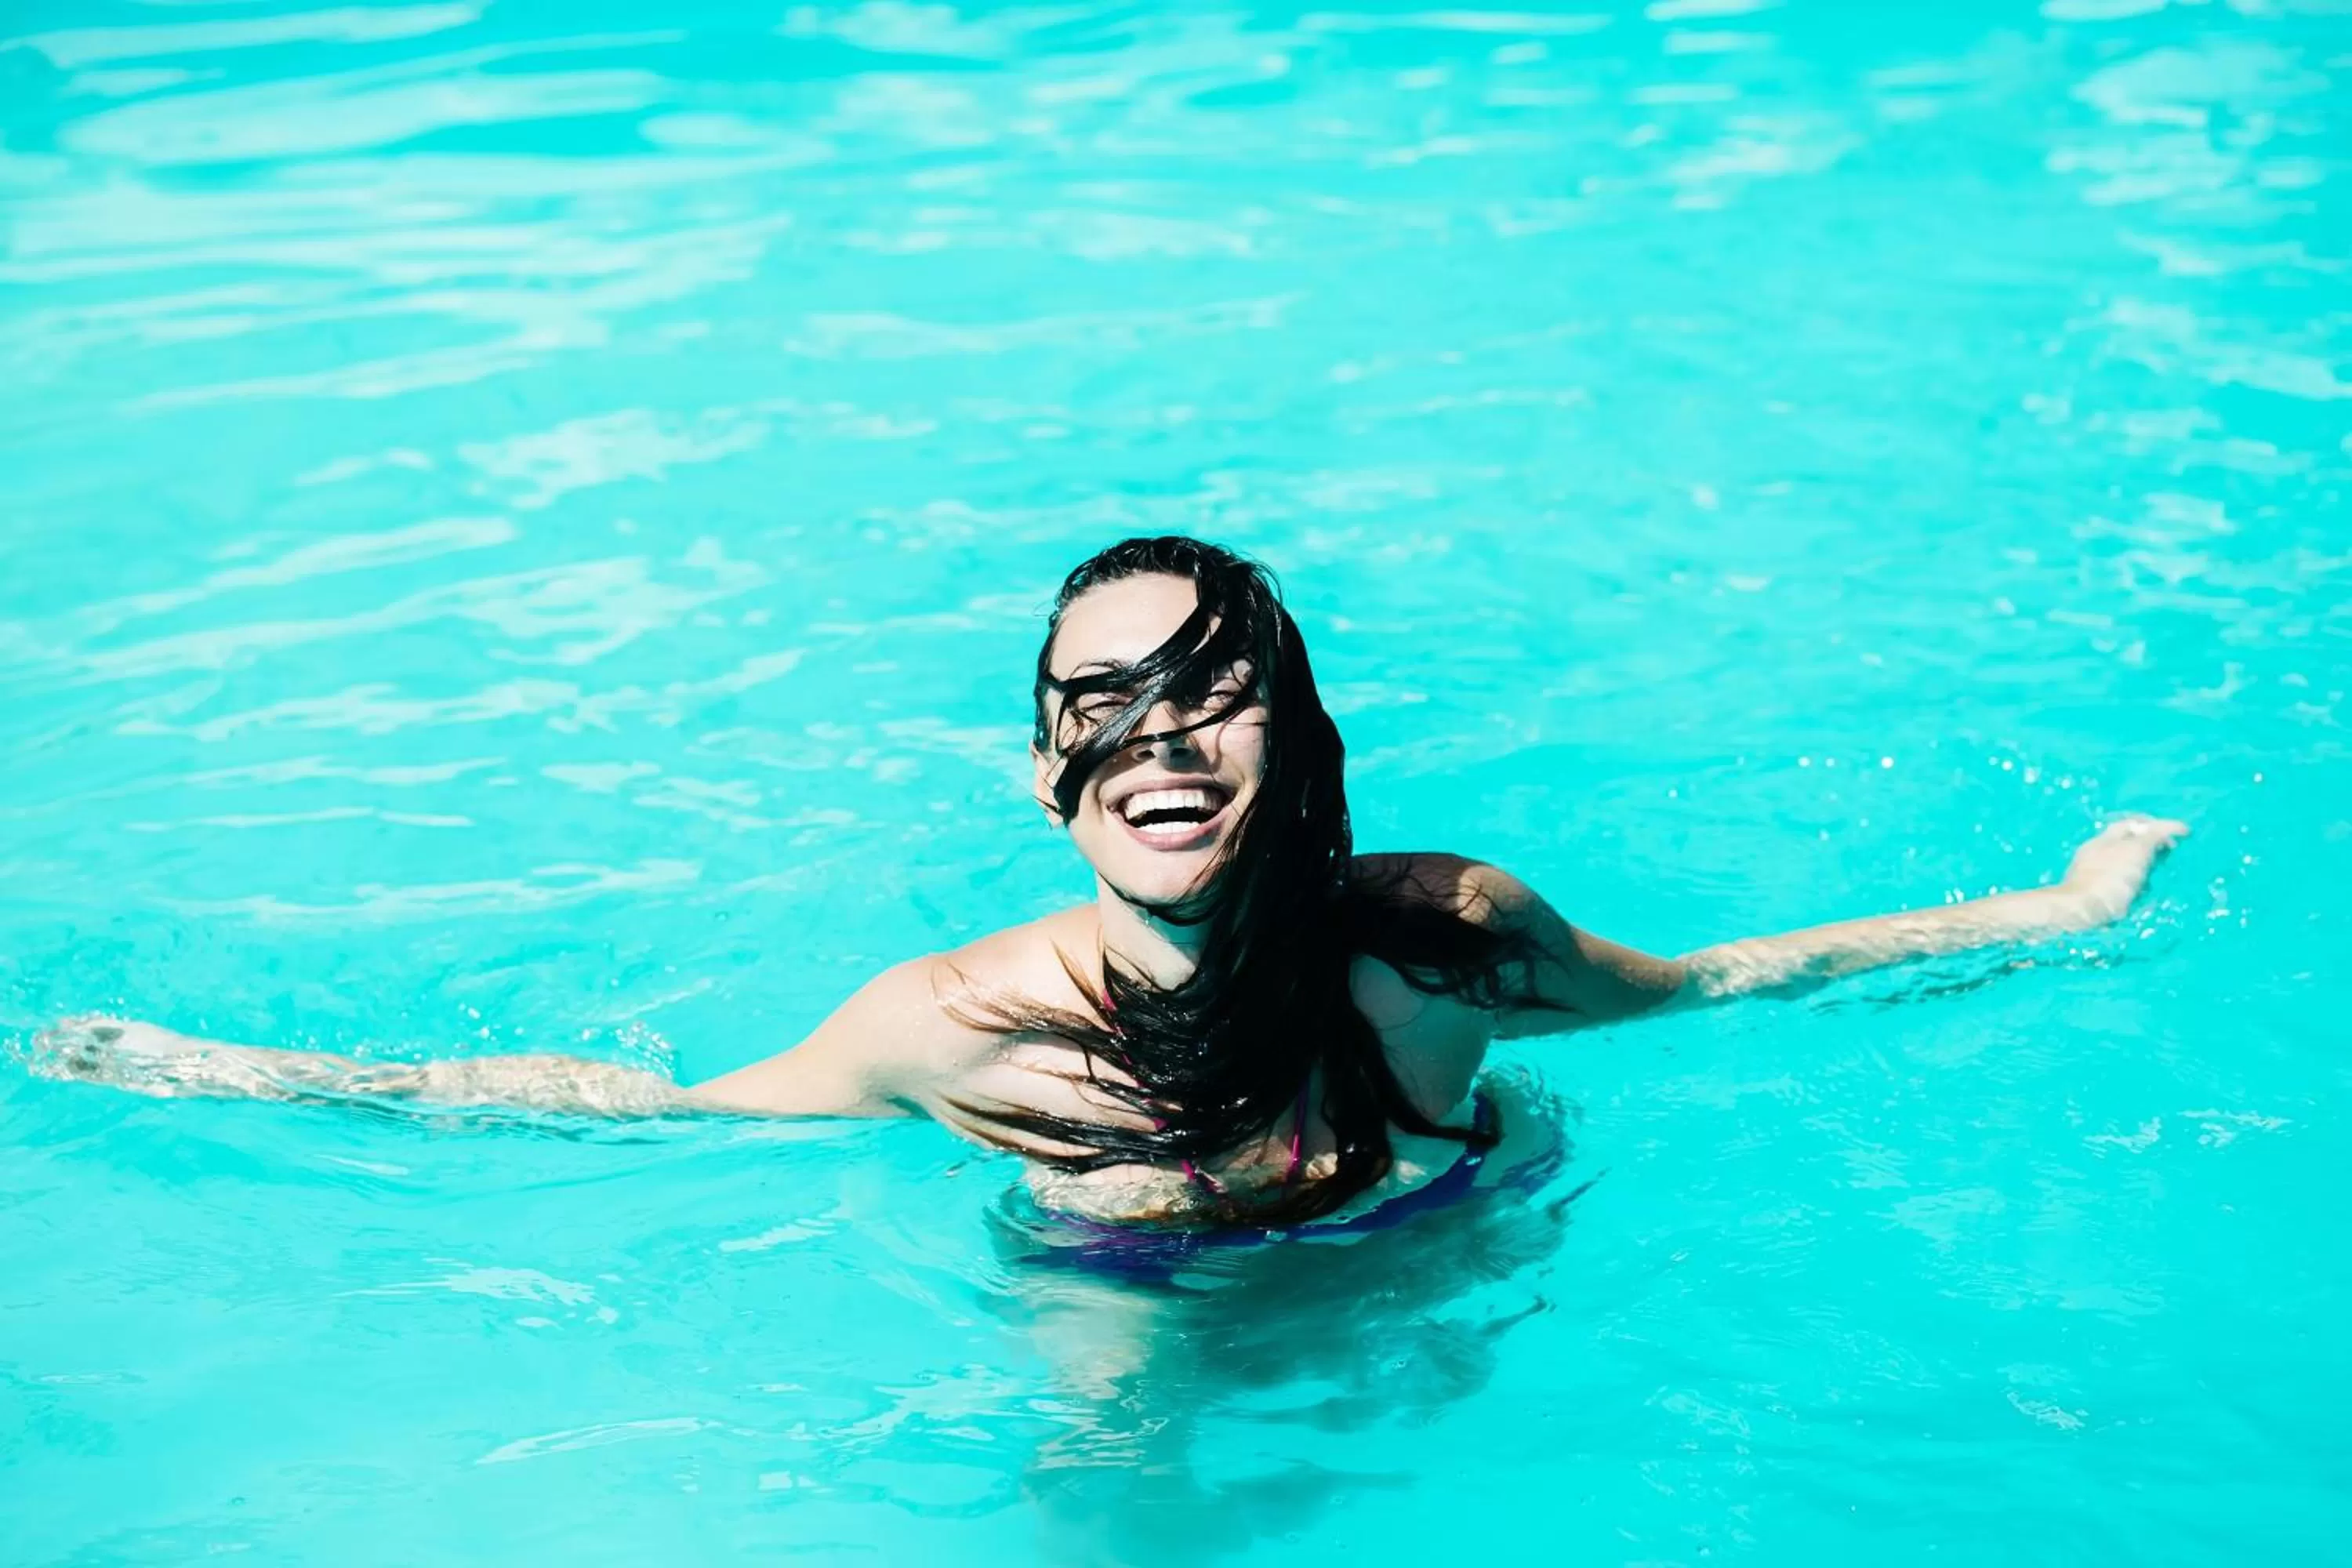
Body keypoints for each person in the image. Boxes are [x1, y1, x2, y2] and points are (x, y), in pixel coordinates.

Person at [32, 536, 2187, 1230]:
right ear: (1040, 771)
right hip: (1128, 1317)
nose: (1155, 742)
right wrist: (218, 1068)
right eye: (1102, 707)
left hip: (1447, 1271)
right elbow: (647, 1117)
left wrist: (2057, 913)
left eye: (1209, 698)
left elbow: (1733, 982)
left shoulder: (1443, 950)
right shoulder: (956, 1025)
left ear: (1297, 741)